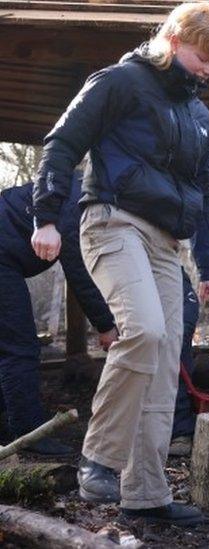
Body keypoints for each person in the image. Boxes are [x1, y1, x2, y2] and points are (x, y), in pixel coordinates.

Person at [30, 2, 209, 525]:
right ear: (172, 40)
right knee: (142, 331)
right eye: (203, 56)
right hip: (112, 222)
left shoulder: (198, 114)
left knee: (167, 360)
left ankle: (145, 492)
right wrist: (45, 216)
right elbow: (62, 142)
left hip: (166, 243)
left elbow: (206, 194)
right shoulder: (119, 81)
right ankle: (99, 457)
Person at [0, 177, 117, 455]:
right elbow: (78, 269)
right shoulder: (82, 199)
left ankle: (8, 422)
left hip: (6, 255)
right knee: (20, 347)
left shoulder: (79, 186)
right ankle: (29, 435)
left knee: (8, 345)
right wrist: (106, 325)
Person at [168, 269, 201, 457]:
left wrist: (178, 335)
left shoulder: (179, 280)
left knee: (178, 387)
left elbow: (189, 311)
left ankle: (181, 434)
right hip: (150, 344)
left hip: (176, 345)